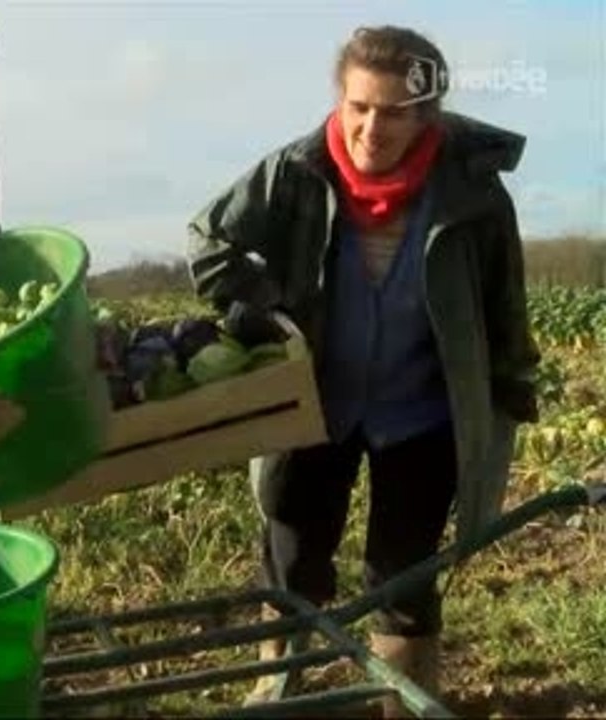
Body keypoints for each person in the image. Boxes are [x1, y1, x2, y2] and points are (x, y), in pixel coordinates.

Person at [188, 26, 539, 716]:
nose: (371, 128)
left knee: (403, 573)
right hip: (313, 403)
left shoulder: (472, 195)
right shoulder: (296, 170)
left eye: (393, 112)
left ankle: (404, 703)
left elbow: (504, 298)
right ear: (340, 102)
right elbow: (209, 239)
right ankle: (279, 688)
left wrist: (510, 384)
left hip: (422, 410)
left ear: (425, 114)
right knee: (292, 553)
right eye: (359, 107)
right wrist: (264, 309)